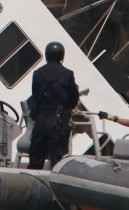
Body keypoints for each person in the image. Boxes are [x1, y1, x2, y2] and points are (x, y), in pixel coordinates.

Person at [27, 41, 79, 170]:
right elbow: (73, 99)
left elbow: (35, 95)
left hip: (40, 121)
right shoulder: (67, 74)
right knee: (57, 160)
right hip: (57, 121)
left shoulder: (37, 73)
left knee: (35, 158)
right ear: (62, 56)